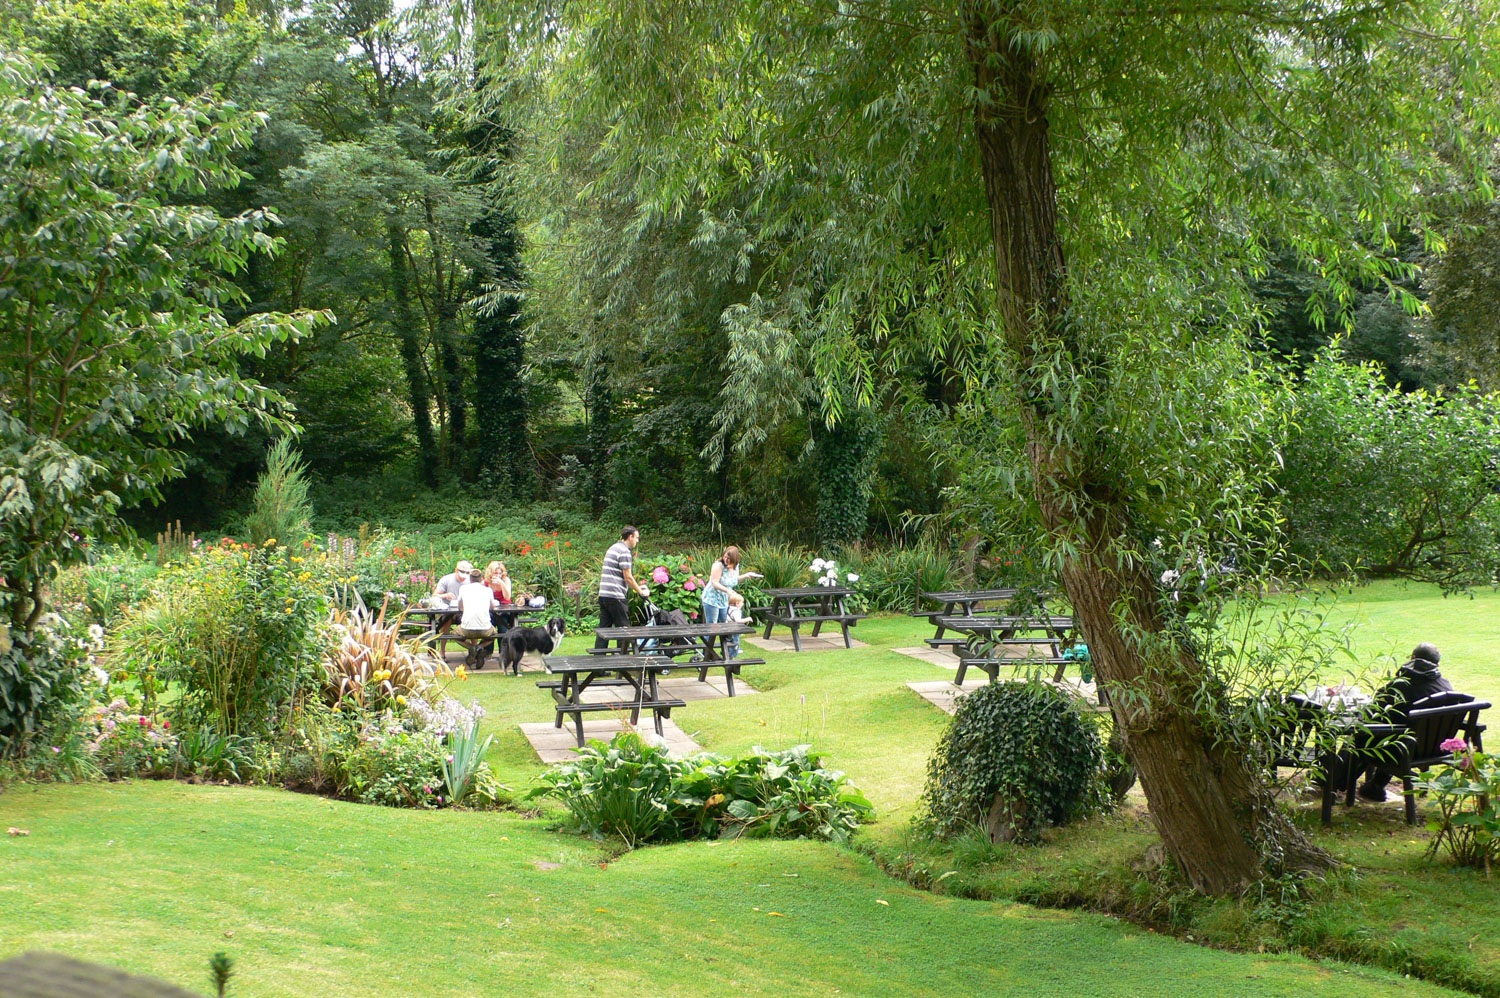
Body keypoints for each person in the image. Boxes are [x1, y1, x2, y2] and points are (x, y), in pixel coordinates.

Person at [1357, 642, 1455, 801]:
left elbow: (1377, 710)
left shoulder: (1403, 685)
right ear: (1437, 664)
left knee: (1360, 736)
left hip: (1404, 749)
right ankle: (1375, 786)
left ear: (1413, 658)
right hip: (1434, 747)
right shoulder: (1446, 686)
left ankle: (1333, 783)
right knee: (1398, 734)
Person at [701, 545, 759, 660]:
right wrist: (727, 590)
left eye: (729, 559)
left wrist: (746, 576)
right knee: (712, 625)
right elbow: (715, 582)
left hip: (723, 600)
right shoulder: (718, 565)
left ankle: (727, 653)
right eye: (725, 557)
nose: (726, 560)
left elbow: (733, 580)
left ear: (735, 560)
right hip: (711, 599)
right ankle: (706, 654)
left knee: (725, 625)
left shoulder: (735, 567)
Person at [596, 526, 648, 649]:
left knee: (603, 631)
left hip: (604, 595)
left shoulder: (613, 548)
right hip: (616, 596)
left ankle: (598, 666)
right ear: (630, 537)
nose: (637, 541)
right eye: (636, 538)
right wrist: (641, 592)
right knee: (624, 631)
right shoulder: (624, 551)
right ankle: (623, 665)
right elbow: (628, 577)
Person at [456, 569, 499, 667]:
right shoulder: (488, 590)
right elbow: (492, 607)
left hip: (466, 629)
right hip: (485, 629)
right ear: (481, 579)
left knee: (455, 635)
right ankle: (479, 647)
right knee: (494, 634)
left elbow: (460, 606)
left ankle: (472, 647)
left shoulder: (463, 589)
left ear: (470, 579)